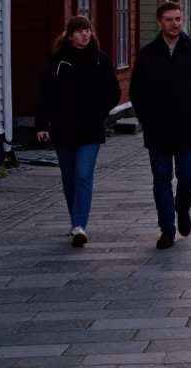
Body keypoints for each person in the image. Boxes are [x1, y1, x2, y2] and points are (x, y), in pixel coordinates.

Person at [131, 3, 191, 249]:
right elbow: (138, 90)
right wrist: (147, 118)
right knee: (161, 178)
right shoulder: (148, 54)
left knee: (188, 175)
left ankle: (182, 208)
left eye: (178, 19)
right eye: (169, 19)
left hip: (187, 127)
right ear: (159, 22)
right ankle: (167, 229)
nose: (175, 24)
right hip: (157, 129)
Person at [35, 16, 121, 248]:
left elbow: (113, 92)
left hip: (91, 130)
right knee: (69, 179)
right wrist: (42, 125)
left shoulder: (100, 60)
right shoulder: (58, 62)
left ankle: (79, 226)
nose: (85, 34)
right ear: (70, 35)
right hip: (63, 129)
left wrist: (98, 112)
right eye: (80, 30)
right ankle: (75, 219)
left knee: (83, 175)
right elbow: (46, 94)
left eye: (88, 30)